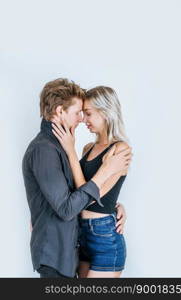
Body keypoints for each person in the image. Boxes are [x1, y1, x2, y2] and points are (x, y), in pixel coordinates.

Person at [22, 78, 132, 278]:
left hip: (100, 237)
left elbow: (80, 191)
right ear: (60, 112)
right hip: (72, 242)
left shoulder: (118, 149)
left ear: (106, 113)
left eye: (87, 113)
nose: (82, 119)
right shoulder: (51, 149)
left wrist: (113, 204)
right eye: (79, 113)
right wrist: (104, 172)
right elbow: (71, 201)